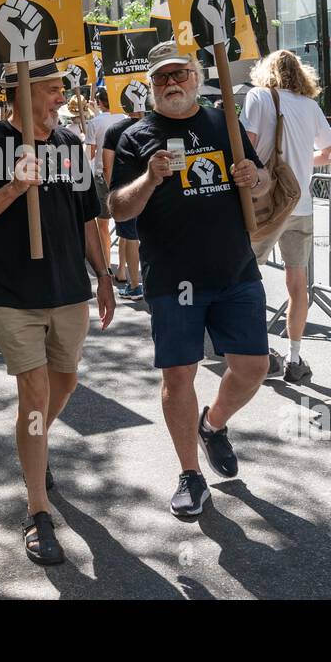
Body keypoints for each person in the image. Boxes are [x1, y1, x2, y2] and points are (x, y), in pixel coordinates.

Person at [0, 60, 114, 565]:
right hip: (13, 297)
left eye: (60, 90)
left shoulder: (70, 146)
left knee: (63, 386)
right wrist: (14, 187)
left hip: (68, 290)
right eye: (50, 90)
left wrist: (105, 275)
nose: (60, 99)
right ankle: (38, 512)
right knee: (36, 393)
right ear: (18, 96)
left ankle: (34, 449)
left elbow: (89, 217)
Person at [109, 42, 269, 519]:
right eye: (161, 78)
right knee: (179, 375)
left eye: (179, 74)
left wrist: (250, 178)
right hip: (173, 277)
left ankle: (214, 425)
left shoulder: (224, 122)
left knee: (253, 367)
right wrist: (150, 179)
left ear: (196, 78)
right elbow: (118, 207)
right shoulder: (135, 136)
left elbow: (261, 183)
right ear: (151, 86)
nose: (171, 83)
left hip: (234, 268)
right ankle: (189, 475)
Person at [241, 50, 331, 383]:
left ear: (265, 71)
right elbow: (330, 153)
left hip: (266, 205)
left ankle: (261, 353)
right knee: (298, 285)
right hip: (301, 205)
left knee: (248, 279)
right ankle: (295, 358)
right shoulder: (310, 106)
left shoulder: (258, 96)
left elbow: (247, 148)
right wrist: (300, 161)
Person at [100, 100, 143, 299]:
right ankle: (126, 274)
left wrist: (112, 193)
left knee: (130, 237)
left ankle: (135, 285)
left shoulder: (114, 130)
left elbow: (107, 166)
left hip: (124, 192)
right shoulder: (155, 124)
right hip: (152, 190)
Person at [86, 87, 119, 277]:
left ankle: (106, 265)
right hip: (123, 172)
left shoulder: (95, 122)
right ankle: (123, 267)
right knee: (126, 226)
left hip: (101, 175)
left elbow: (89, 154)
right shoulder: (123, 118)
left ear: (99, 102)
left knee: (103, 225)